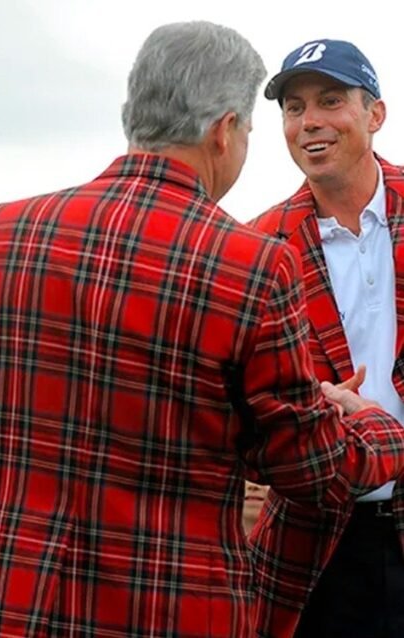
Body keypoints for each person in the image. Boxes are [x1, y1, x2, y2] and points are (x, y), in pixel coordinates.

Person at [0, 23, 404, 638]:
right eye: (275, 116)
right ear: (224, 131)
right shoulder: (247, 260)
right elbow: (305, 461)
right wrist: (376, 424)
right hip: (182, 610)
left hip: (10, 607)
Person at [249, 39, 404, 638]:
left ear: (375, 115)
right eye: (293, 107)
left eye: (330, 100)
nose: (309, 121)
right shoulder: (259, 246)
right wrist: (302, 406)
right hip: (314, 537)